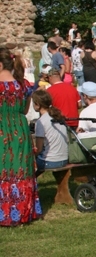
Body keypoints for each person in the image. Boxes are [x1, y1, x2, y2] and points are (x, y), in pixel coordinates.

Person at [0, 48, 42, 226]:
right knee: (19, 168)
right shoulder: (23, 85)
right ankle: (23, 210)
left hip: (2, 128)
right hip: (19, 129)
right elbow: (25, 110)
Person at [32, 89, 68, 174]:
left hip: (51, 161)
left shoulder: (41, 121)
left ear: (37, 105)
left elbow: (39, 149)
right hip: (64, 159)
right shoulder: (58, 116)